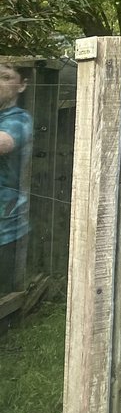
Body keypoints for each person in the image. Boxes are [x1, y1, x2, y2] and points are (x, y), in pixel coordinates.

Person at [0, 62, 32, 297]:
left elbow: (4, 143)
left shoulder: (20, 120)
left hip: (6, 228)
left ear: (22, 86)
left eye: (5, 77)